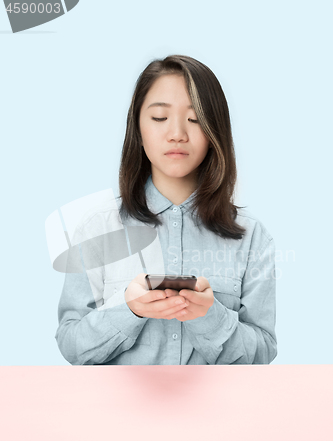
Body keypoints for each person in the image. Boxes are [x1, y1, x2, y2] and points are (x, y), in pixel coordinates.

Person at [56, 55, 277, 365]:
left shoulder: (251, 236)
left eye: (195, 118)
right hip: (117, 413)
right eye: (160, 117)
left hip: (218, 413)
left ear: (215, 130)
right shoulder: (99, 227)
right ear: (138, 128)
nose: (177, 134)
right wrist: (129, 309)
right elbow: (71, 344)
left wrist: (209, 317)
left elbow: (263, 352)